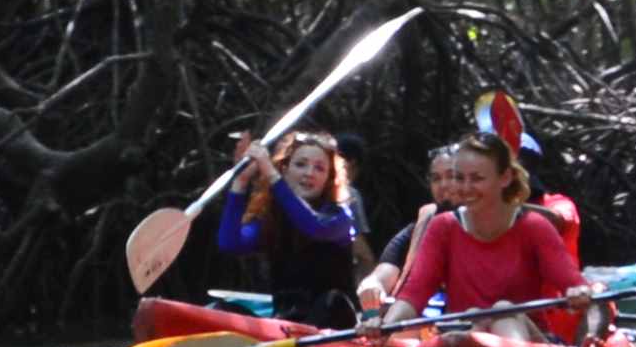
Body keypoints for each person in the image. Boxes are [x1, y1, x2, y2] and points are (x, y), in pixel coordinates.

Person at [361, 132, 589, 330]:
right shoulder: (443, 227)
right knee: (475, 325)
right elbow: (414, 294)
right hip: (465, 339)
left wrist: (578, 293)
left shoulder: (534, 226)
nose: (465, 188)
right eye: (459, 178)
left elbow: (573, 283)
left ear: (505, 178)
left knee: (502, 312)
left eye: (477, 179)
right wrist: (384, 326)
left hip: (526, 344)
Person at [204, 131, 370, 315]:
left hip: (330, 319)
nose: (309, 173)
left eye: (319, 168)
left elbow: (314, 227)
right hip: (286, 321)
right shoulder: (273, 217)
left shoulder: (340, 215)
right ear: (284, 169)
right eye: (300, 164)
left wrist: (270, 173)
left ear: (328, 179)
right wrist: (240, 182)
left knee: (331, 302)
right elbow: (230, 243)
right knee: (220, 309)